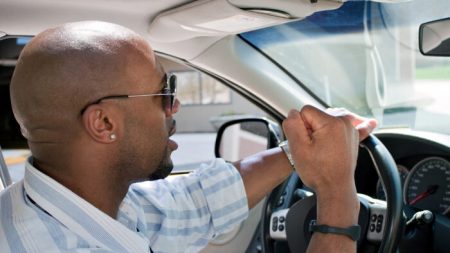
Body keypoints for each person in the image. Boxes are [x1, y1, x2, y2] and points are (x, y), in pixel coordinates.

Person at [0, 21, 377, 253]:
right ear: (103, 123)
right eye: (164, 92)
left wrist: (298, 149)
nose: (174, 105)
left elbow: (193, 202)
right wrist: (338, 200)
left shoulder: (86, 201)